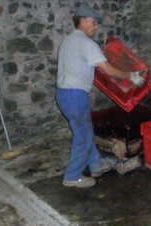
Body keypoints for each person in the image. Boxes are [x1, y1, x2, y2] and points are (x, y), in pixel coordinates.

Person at [56, 4, 145, 188]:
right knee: (82, 136)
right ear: (82, 21)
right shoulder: (86, 43)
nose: (96, 27)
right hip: (75, 95)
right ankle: (72, 176)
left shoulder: (68, 41)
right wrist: (132, 76)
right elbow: (108, 70)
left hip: (64, 94)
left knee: (86, 131)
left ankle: (96, 164)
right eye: (94, 22)